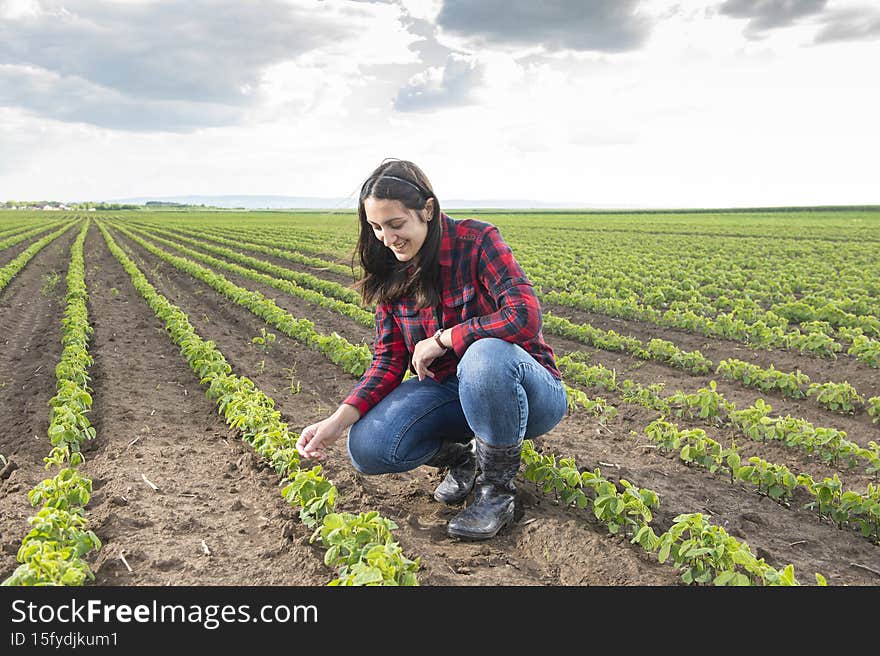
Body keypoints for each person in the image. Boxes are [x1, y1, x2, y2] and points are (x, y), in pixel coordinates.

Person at [295, 159, 567, 540]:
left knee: (483, 354)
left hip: (526, 393)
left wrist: (445, 339)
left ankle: (496, 492)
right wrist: (336, 422)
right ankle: (463, 459)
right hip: (453, 395)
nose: (387, 239)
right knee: (368, 446)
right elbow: (389, 360)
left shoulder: (477, 242)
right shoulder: (391, 272)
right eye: (376, 228)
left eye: (395, 224)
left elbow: (525, 316)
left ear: (427, 210)